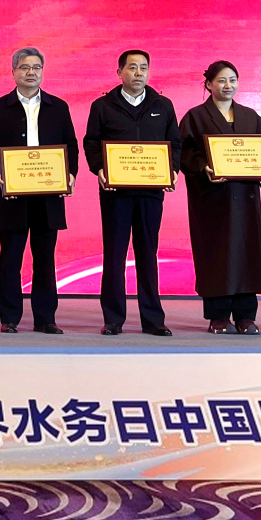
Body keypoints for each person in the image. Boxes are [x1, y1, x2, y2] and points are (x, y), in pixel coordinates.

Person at [0, 46, 78, 335]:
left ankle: (46, 318)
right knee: (11, 257)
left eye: (36, 67)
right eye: (24, 67)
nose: (31, 72)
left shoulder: (58, 107)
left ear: (42, 72)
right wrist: (0, 177)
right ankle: (9, 317)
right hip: (12, 195)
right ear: (13, 72)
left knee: (45, 259)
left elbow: (70, 144)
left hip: (48, 195)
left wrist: (69, 175)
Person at [83, 49, 181, 337]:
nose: (139, 73)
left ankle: (153, 320)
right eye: (132, 67)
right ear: (119, 72)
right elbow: (91, 143)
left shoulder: (163, 105)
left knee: (148, 254)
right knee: (114, 255)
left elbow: (174, 144)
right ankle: (113, 319)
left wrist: (172, 170)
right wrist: (99, 169)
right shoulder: (103, 106)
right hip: (116, 193)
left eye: (143, 67)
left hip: (151, 192)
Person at [178, 60, 261, 335]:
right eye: (221, 80)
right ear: (209, 84)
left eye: (232, 80)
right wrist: (203, 168)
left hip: (245, 198)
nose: (227, 85)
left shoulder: (249, 115)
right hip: (212, 199)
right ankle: (218, 316)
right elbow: (184, 152)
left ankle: (245, 316)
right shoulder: (195, 116)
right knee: (216, 255)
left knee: (247, 253)